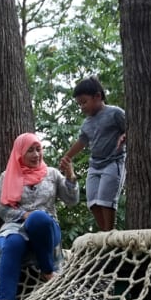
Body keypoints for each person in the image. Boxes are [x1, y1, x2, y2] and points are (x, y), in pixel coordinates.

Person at [0, 132, 79, 300]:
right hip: (16, 226)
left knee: (38, 218)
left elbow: (72, 200)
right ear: (19, 153)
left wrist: (70, 176)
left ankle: (47, 270)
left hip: (45, 227)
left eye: (38, 149)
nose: (36, 155)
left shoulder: (52, 174)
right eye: (30, 150)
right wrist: (23, 215)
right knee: (12, 242)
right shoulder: (7, 176)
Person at [60, 76, 126, 232]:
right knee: (93, 201)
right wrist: (67, 156)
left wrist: (124, 136)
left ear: (97, 96)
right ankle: (104, 232)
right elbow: (82, 141)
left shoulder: (115, 113)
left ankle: (110, 231)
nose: (82, 107)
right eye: (79, 104)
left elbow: (130, 127)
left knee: (106, 199)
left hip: (113, 162)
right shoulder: (87, 123)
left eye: (84, 102)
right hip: (95, 165)